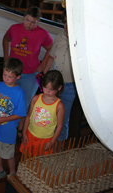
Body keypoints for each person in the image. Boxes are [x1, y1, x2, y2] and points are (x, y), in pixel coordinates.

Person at [2, 6, 53, 137]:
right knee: (10, 100)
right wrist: (6, 58)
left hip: (30, 73)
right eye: (27, 20)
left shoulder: (42, 33)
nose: (29, 24)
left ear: (38, 22)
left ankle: (20, 129)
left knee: (24, 104)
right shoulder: (14, 28)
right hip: (13, 72)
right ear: (23, 18)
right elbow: (6, 39)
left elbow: (50, 48)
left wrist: (43, 64)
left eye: (33, 22)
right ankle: (7, 125)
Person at [0, 58, 26, 183]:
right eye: (4, 75)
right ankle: (0, 170)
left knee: (8, 155)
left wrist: (2, 119)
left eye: (10, 77)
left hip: (8, 131)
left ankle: (13, 173)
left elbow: (20, 114)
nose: (6, 78)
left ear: (18, 77)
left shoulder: (20, 93)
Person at [44, 9, 76, 142]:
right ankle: (46, 140)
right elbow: (51, 57)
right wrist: (44, 76)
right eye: (65, 22)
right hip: (52, 83)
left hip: (69, 86)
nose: (67, 25)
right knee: (48, 114)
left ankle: (59, 145)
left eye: (70, 22)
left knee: (63, 117)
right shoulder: (59, 36)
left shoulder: (82, 40)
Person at [20, 70, 65, 156]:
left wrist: (52, 142)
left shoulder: (59, 106)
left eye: (51, 89)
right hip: (30, 135)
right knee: (26, 159)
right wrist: (24, 132)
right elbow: (28, 116)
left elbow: (59, 126)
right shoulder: (35, 99)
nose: (47, 91)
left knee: (40, 163)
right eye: (45, 87)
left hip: (46, 139)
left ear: (59, 88)